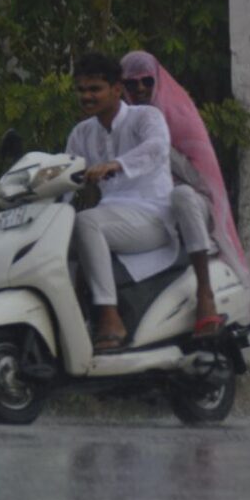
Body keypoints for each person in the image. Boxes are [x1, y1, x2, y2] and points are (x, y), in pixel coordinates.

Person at [120, 50, 250, 336]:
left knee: (181, 195)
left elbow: (201, 179)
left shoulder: (177, 114)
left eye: (146, 81)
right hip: (148, 208)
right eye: (132, 84)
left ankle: (205, 294)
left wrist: (157, 148)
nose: (141, 89)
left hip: (195, 202)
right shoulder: (120, 123)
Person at [67, 52, 178, 353]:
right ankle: (73, 321)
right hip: (113, 216)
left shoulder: (145, 117)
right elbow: (66, 176)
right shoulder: (82, 133)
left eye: (94, 89)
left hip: (153, 215)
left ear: (117, 89)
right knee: (57, 233)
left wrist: (115, 164)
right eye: (81, 90)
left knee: (85, 222)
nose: (87, 96)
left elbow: (156, 147)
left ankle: (110, 317)